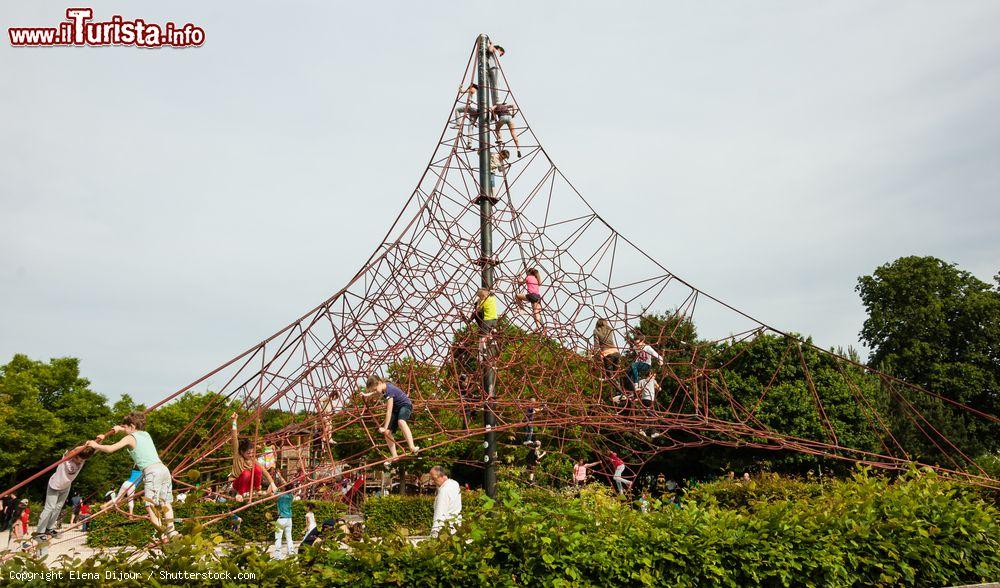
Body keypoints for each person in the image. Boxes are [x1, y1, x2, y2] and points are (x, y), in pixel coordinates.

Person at [86, 412, 179, 541]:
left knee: (150, 504)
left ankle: (161, 535)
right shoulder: (146, 434)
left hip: (152, 471)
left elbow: (111, 449)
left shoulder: (130, 437)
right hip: (163, 469)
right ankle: (171, 531)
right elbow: (131, 432)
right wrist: (120, 429)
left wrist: (96, 445)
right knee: (165, 502)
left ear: (132, 426)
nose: (124, 430)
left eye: (125, 427)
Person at [35, 445, 94, 538]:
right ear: (76, 455)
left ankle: (49, 528)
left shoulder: (82, 460)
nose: (81, 461)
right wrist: (85, 444)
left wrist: (98, 440)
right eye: (79, 459)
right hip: (55, 485)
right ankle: (40, 532)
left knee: (58, 507)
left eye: (83, 460)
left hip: (66, 486)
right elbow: (73, 451)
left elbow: (93, 450)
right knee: (49, 507)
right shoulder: (67, 458)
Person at [362, 376, 420, 460]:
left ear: (379, 383)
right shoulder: (384, 386)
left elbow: (389, 411)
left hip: (405, 405)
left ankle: (412, 447)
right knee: (387, 433)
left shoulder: (389, 392)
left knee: (401, 421)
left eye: (374, 389)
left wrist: (385, 427)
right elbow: (377, 392)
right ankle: (394, 455)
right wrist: (367, 394)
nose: (375, 391)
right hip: (396, 409)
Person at [230, 412, 279, 500]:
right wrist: (234, 421)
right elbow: (234, 438)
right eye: (248, 453)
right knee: (246, 473)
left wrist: (273, 484)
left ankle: (257, 489)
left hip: (250, 484)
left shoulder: (253, 460)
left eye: (252, 452)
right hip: (238, 484)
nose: (251, 455)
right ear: (242, 452)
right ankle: (239, 494)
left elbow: (265, 472)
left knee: (258, 468)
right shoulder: (238, 456)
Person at [429, 466, 462, 538]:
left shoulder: (443, 491)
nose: (432, 482)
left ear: (442, 476)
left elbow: (439, 514)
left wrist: (434, 534)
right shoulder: (455, 484)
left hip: (445, 532)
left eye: (434, 478)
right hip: (457, 527)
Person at [469, 288, 499, 354]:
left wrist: (479, 302)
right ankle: (494, 339)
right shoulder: (492, 298)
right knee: (492, 330)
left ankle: (484, 350)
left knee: (482, 336)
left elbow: (478, 309)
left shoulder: (483, 302)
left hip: (487, 320)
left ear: (481, 297)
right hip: (495, 319)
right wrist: (489, 292)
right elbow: (492, 292)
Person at [272, 474, 295, 559]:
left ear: (285, 488)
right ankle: (291, 553)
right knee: (289, 537)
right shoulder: (291, 496)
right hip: (289, 519)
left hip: (281, 519)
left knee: (278, 538)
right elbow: (288, 486)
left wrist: (275, 477)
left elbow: (273, 488)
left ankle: (278, 556)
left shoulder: (280, 495)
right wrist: (279, 475)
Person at [636, 374, 661, 438]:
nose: (654, 377)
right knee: (652, 416)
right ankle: (651, 431)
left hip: (643, 400)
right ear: (650, 374)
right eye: (654, 376)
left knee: (646, 414)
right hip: (650, 400)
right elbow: (659, 388)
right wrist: (656, 387)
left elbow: (638, 389)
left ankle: (643, 429)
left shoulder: (641, 381)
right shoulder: (653, 381)